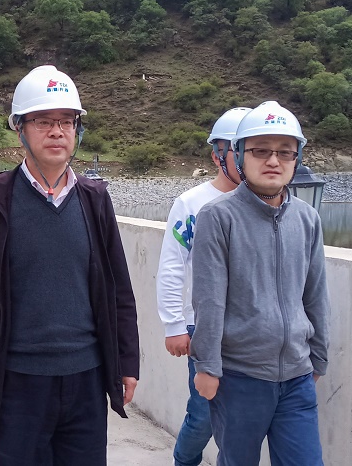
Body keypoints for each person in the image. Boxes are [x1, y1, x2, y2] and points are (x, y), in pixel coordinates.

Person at [0, 65, 140, 465]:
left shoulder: (94, 199)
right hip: (17, 380)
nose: (56, 131)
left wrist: (126, 361)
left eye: (66, 121)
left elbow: (118, 288)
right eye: (43, 121)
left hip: (86, 377)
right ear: (20, 129)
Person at [190, 101, 330, 465]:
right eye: (261, 150)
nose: (273, 160)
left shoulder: (307, 219)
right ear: (239, 155)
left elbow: (315, 295)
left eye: (285, 152)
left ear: (297, 158)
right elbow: (209, 299)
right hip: (239, 377)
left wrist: (318, 358)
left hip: (298, 377)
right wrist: (207, 366)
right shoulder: (217, 217)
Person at [156, 107, 251, 466]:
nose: (246, 158)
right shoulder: (191, 204)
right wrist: (174, 325)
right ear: (217, 155)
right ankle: (184, 461)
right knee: (203, 415)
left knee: (243, 419)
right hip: (203, 326)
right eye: (237, 150)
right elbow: (172, 266)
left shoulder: (269, 202)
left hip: (252, 329)